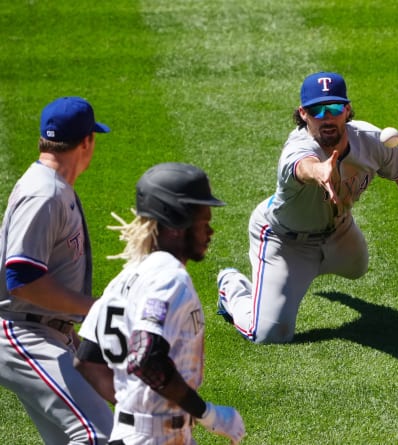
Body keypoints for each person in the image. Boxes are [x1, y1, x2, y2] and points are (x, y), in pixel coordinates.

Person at [216, 71, 398, 344]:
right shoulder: (296, 149)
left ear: (347, 110)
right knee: (268, 334)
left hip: (339, 235)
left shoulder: (372, 141)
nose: (326, 116)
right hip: (285, 242)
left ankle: (306, 273)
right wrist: (320, 171)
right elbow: (304, 167)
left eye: (334, 107)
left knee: (358, 267)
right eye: (317, 110)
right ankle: (231, 287)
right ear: (303, 114)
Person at [74, 162, 246, 445]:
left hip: (135, 434)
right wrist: (208, 414)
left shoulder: (126, 276)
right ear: (177, 225)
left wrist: (138, 408)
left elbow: (87, 360)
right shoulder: (168, 277)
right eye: (204, 223)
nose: (210, 232)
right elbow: (146, 357)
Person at [0, 96, 114, 444]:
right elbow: (21, 280)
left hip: (45, 332)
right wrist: (93, 307)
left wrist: (75, 340)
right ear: (86, 141)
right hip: (22, 334)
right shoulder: (44, 193)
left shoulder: (52, 187)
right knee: (97, 435)